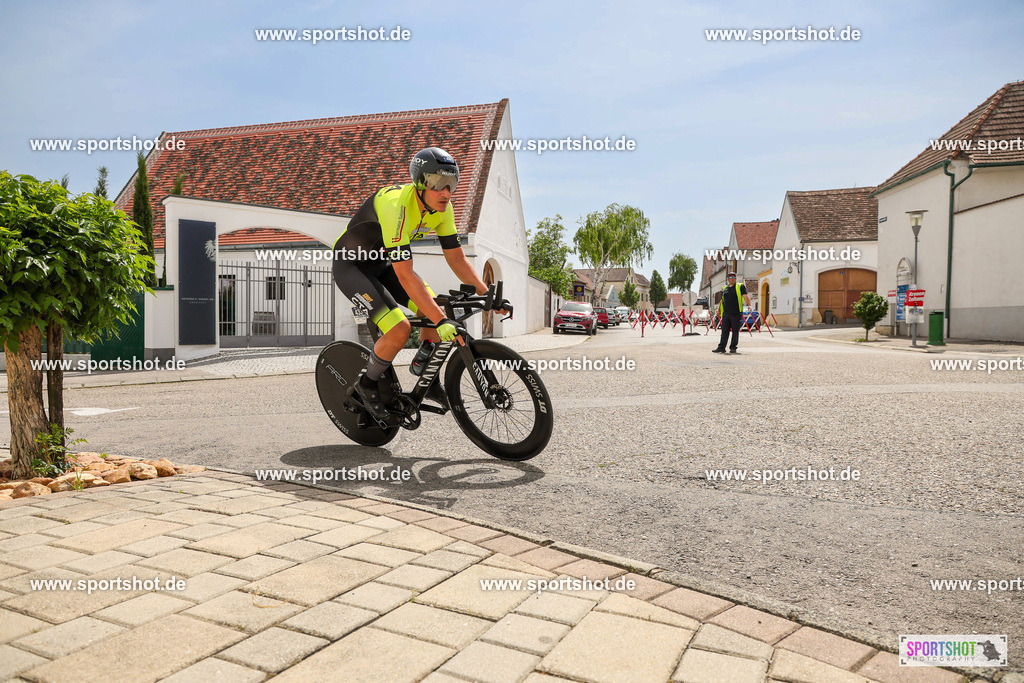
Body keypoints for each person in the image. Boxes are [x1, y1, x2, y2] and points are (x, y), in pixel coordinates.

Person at [332, 147, 510, 421]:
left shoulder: (443, 209)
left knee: (435, 308)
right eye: (438, 183)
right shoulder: (396, 207)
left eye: (451, 184)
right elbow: (405, 275)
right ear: (419, 183)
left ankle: (429, 379)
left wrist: (487, 296)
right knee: (400, 329)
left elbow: (457, 259)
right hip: (352, 266)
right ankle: (365, 385)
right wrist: (441, 321)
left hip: (383, 265)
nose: (446, 192)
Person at [713, 272, 751, 354]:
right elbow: (722, 300)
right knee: (724, 331)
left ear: (736, 278)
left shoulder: (740, 286)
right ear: (728, 279)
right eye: (730, 277)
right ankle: (721, 347)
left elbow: (746, 296)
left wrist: (749, 305)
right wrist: (719, 310)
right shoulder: (725, 288)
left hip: (736, 313)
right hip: (726, 313)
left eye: (734, 277)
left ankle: (733, 348)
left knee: (735, 331)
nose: (732, 278)